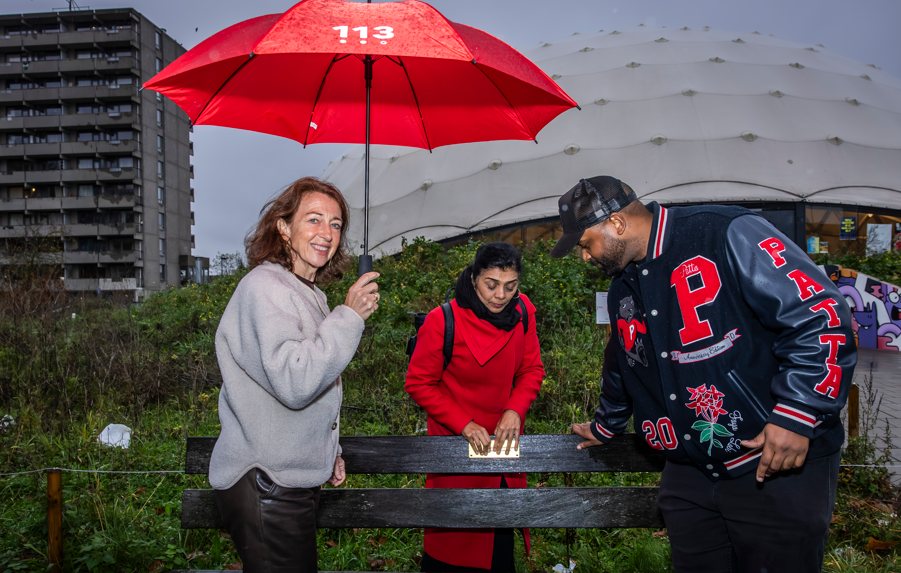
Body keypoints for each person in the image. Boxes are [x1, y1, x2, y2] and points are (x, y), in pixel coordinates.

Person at [553, 176, 857, 573]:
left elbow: (822, 316)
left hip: (773, 465)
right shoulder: (623, 287)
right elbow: (625, 360)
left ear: (617, 224)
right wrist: (605, 425)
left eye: (584, 244)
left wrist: (798, 413)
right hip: (690, 477)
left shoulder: (727, 231)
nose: (586, 257)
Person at [210, 177, 380, 573]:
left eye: (336, 224)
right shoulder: (265, 288)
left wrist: (324, 452)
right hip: (267, 484)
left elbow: (300, 391)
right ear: (283, 227)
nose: (327, 233)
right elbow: (296, 381)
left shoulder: (305, 292)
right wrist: (349, 316)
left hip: (284, 480)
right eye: (314, 220)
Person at [405, 242, 545, 573]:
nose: (501, 295)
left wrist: (515, 408)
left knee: (497, 553)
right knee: (452, 549)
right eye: (491, 284)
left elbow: (531, 370)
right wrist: (463, 424)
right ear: (473, 278)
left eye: (510, 286)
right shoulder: (444, 320)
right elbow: (418, 383)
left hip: (501, 454)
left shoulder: (523, 312)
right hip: (455, 452)